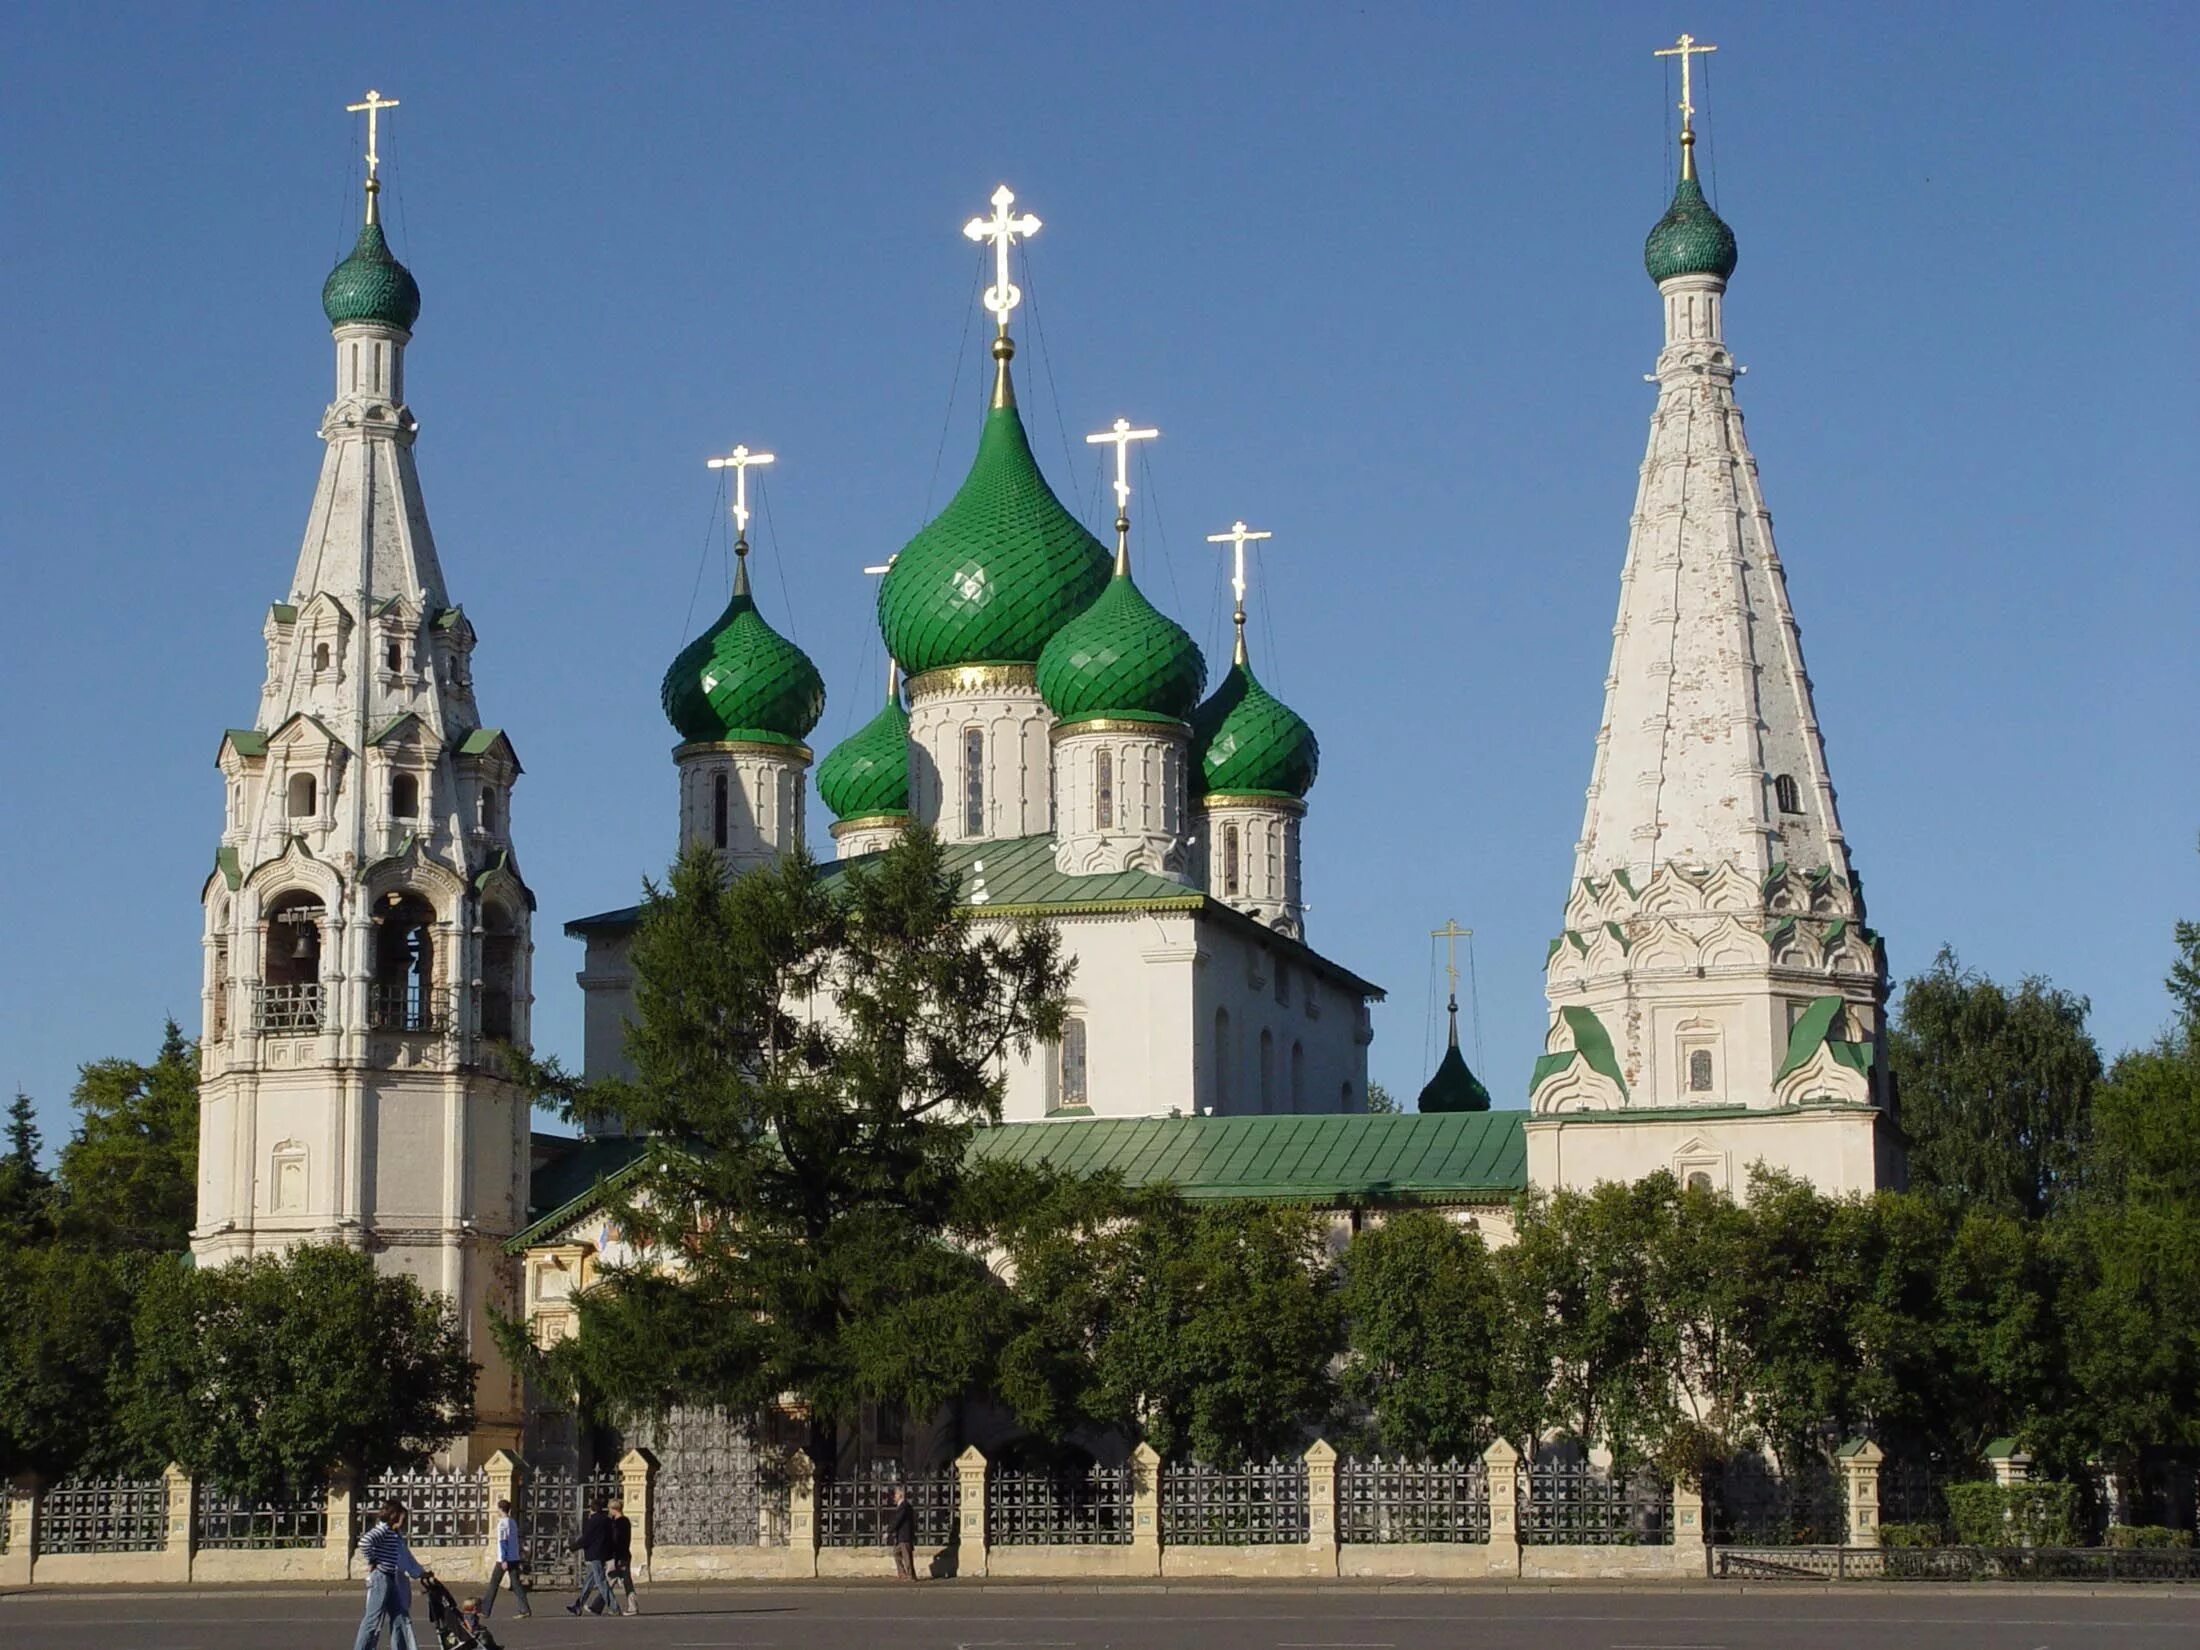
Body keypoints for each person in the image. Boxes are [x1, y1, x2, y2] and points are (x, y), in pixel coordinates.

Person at [354, 1498, 427, 1650]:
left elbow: (405, 1556)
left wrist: (420, 1572)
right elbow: (365, 1542)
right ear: (394, 1515)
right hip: (381, 1577)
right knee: (372, 1620)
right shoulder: (383, 1530)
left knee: (400, 1615)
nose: (404, 1522)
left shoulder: (393, 1533)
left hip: (389, 1577)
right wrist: (373, 1560)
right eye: (403, 1518)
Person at [566, 1493, 620, 1617]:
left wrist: (572, 1547)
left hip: (594, 1554)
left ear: (592, 1508)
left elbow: (586, 1539)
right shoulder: (607, 1520)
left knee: (601, 1582)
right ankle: (578, 1606)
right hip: (602, 1554)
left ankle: (614, 1607)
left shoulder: (593, 1521)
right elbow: (611, 1538)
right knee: (588, 1582)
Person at [482, 1496, 530, 1618]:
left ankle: (485, 1609)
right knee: (516, 1584)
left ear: (500, 1509)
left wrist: (503, 1559)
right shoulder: (513, 1522)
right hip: (514, 1557)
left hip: (504, 1559)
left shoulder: (502, 1524)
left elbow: (503, 1541)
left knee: (494, 1583)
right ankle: (524, 1609)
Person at [607, 1495, 640, 1615]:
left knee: (626, 1582)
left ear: (614, 1509)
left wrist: (617, 1557)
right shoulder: (623, 1521)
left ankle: (633, 1607)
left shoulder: (619, 1523)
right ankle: (597, 1606)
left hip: (621, 1556)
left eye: (610, 1509)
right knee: (610, 1581)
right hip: (623, 1554)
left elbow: (618, 1541)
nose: (609, 1511)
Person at [887, 1485, 918, 1582]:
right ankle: (902, 1573)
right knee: (896, 1553)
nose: (894, 1497)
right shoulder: (902, 1506)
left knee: (906, 1557)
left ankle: (911, 1576)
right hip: (902, 1536)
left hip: (905, 1536)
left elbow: (898, 1520)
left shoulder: (904, 1506)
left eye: (895, 1494)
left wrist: (889, 1531)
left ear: (900, 1494)